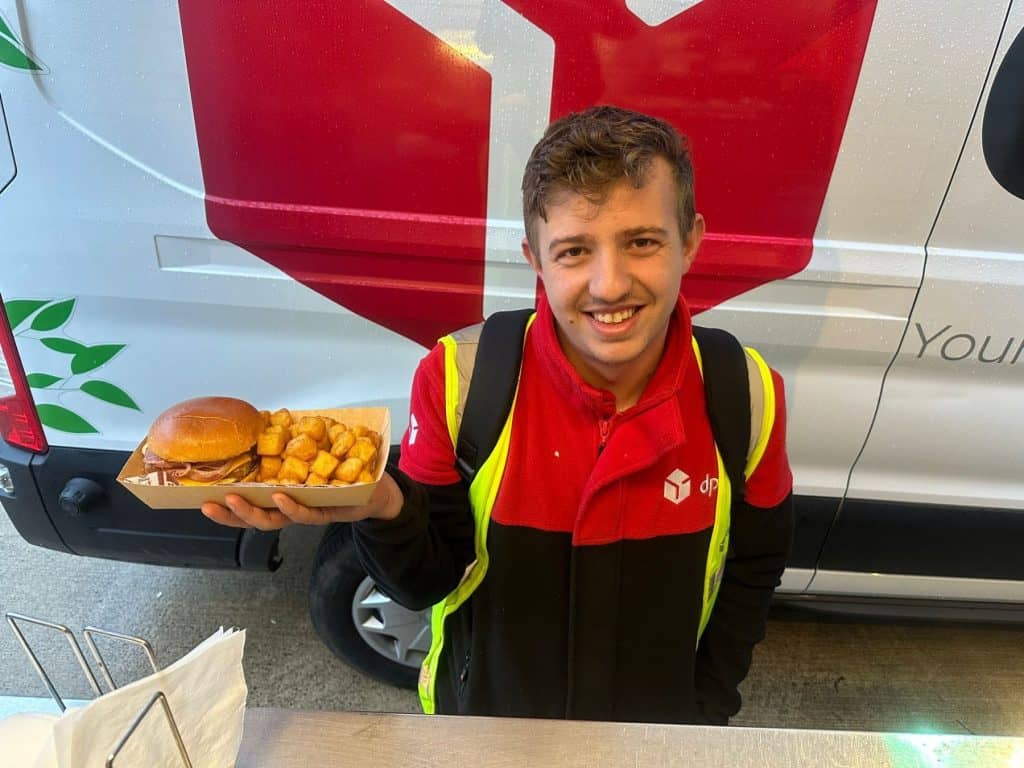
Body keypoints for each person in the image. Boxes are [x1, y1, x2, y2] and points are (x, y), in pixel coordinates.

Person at [202, 106, 794, 725]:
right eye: (573, 251)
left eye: (642, 242)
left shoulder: (745, 393)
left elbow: (753, 571)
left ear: (691, 241)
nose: (610, 284)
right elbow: (426, 583)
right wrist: (381, 509)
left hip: (656, 738)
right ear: (535, 259)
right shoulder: (462, 381)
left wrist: (708, 703)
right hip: (485, 732)